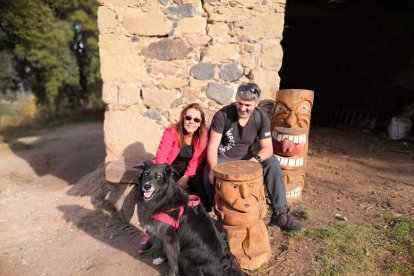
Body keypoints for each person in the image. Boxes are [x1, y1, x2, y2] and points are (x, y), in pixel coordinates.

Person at [206, 83, 305, 232]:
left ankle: (279, 213)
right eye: (240, 103)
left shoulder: (260, 117)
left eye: (247, 105)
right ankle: (216, 219)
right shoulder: (223, 115)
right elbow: (212, 147)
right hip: (223, 158)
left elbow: (268, 149)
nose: (243, 108)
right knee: (207, 177)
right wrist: (213, 169)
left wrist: (254, 161)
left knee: (272, 163)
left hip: (246, 158)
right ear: (236, 99)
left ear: (256, 103)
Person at [138, 103, 209, 253]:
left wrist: (186, 177)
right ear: (183, 117)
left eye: (196, 120)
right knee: (158, 190)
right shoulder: (172, 131)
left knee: (199, 184)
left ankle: (197, 224)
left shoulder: (202, 136)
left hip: (188, 170)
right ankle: (150, 231)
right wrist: (168, 180)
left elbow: (197, 159)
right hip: (168, 168)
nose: (191, 122)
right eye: (188, 117)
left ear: (200, 123)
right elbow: (162, 157)